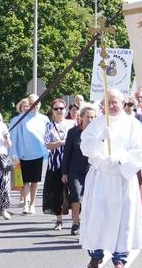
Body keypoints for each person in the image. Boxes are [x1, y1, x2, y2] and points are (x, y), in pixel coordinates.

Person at [80, 89, 142, 268]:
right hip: (101, 177)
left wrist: (119, 159)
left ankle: (119, 258)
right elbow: (85, 147)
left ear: (123, 102)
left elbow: (139, 153)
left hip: (121, 178)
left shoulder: (133, 125)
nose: (110, 105)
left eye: (114, 101)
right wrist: (101, 138)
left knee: (122, 218)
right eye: (107, 102)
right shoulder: (97, 124)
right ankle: (96, 255)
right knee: (97, 217)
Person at [9, 93, 49, 214]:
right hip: (24, 155)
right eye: (32, 104)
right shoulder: (21, 118)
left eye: (37, 103)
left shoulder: (44, 119)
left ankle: (32, 204)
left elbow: (48, 136)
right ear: (29, 104)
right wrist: (14, 153)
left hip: (38, 154)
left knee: (35, 181)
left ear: (40, 104)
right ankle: (25, 204)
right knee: (25, 181)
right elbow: (13, 136)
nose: (35, 106)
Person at [62, 104, 97, 235]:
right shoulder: (73, 132)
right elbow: (67, 153)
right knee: (76, 196)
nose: (91, 120)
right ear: (81, 117)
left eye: (93, 117)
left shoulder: (98, 133)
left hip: (92, 170)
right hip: (74, 170)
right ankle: (75, 223)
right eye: (88, 117)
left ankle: (88, 223)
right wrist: (64, 172)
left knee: (89, 198)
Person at [42, 99, 76, 230]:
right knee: (56, 193)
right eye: (56, 109)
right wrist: (61, 143)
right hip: (55, 164)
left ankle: (76, 221)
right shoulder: (49, 126)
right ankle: (59, 220)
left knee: (74, 192)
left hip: (71, 163)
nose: (59, 111)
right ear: (53, 111)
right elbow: (47, 145)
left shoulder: (72, 124)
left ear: (66, 109)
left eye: (61, 108)